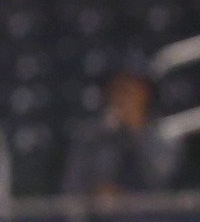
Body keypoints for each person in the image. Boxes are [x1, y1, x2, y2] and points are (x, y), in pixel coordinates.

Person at [61, 60, 177, 202]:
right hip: (98, 214)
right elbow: (72, 187)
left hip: (152, 213)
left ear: (146, 93)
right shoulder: (92, 136)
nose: (124, 96)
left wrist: (136, 130)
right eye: (119, 88)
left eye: (132, 90)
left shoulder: (165, 131)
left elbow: (161, 180)